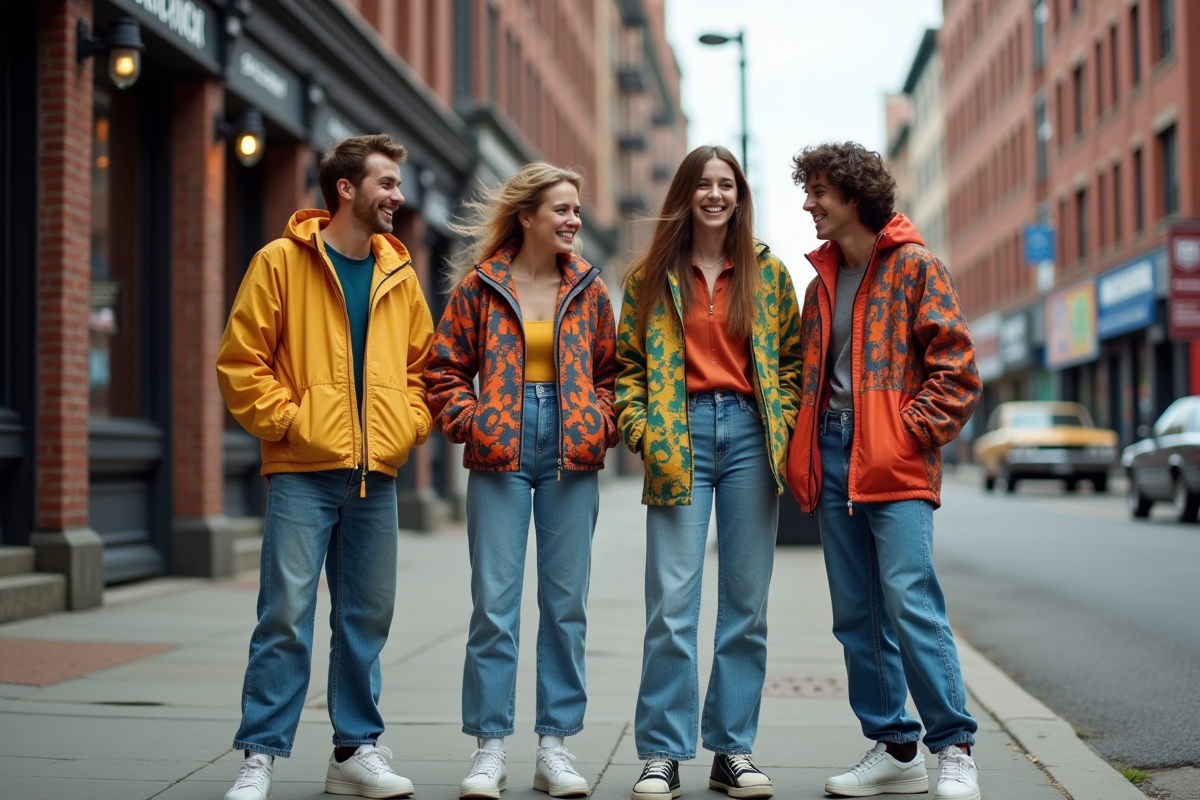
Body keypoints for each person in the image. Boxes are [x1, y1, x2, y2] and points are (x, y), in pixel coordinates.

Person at [216, 134, 433, 800]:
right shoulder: (280, 262)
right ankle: (259, 756)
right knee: (285, 614)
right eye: (387, 183)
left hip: (377, 478)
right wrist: (295, 423)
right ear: (346, 188)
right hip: (302, 474)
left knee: (365, 619)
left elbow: (423, 370)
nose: (399, 196)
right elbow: (240, 362)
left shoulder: (400, 273)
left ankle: (355, 751)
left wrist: (405, 425)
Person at [785, 142, 983, 800]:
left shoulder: (915, 268)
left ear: (853, 195)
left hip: (891, 457)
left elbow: (957, 371)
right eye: (807, 192)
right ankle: (896, 747)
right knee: (856, 614)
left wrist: (906, 434)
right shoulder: (818, 287)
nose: (809, 204)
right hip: (836, 456)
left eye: (819, 192)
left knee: (908, 599)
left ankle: (953, 745)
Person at [424, 162, 618, 800]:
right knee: (494, 607)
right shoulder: (481, 287)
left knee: (565, 609)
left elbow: (615, 373)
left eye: (577, 211)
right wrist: (473, 423)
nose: (573, 221)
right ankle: (489, 748)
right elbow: (445, 367)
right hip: (499, 452)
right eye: (561, 209)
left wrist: (598, 421)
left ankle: (554, 748)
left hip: (571, 453)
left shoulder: (589, 289)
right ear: (528, 216)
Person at [615, 145, 803, 800]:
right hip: (679, 435)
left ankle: (732, 751)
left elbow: (794, 364)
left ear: (739, 195)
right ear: (685, 195)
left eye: (726, 184)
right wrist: (640, 430)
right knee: (671, 602)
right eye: (704, 184)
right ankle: (662, 753)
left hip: (752, 437)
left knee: (746, 606)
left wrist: (783, 427)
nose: (715, 194)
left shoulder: (769, 274)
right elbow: (627, 368)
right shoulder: (649, 278)